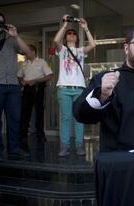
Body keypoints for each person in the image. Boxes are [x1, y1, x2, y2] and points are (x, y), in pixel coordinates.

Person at [0, 11, 31, 162]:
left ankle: (14, 149)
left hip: (12, 86)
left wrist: (16, 36)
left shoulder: (11, 40)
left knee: (15, 120)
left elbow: (28, 53)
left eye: (0, 21)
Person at [53, 14, 96, 157]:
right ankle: (64, 146)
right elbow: (55, 40)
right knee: (65, 118)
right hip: (64, 88)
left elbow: (93, 45)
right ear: (66, 37)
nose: (71, 35)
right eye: (69, 34)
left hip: (79, 89)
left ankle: (79, 146)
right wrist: (65, 24)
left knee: (79, 118)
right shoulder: (62, 50)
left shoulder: (80, 51)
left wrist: (85, 28)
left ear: (77, 38)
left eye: (73, 34)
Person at [18, 44, 53, 152]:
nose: (26, 54)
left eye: (28, 51)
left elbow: (49, 76)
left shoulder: (41, 62)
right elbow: (19, 75)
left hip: (38, 88)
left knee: (39, 112)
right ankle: (23, 135)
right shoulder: (24, 63)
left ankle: (40, 135)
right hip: (27, 89)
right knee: (25, 112)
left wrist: (36, 81)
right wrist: (21, 81)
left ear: (33, 52)